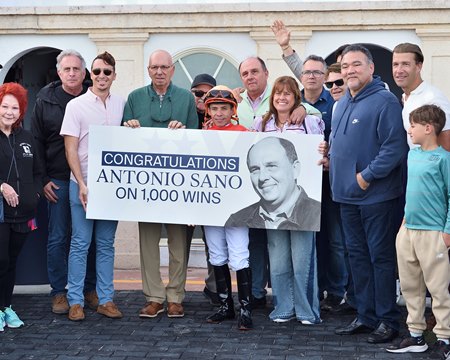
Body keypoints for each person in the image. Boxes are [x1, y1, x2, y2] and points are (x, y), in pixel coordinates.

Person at [329, 44, 408, 344]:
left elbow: (394, 148)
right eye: (345, 65)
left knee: (380, 259)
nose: (350, 70)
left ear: (371, 68)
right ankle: (366, 315)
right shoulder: (343, 103)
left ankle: (388, 320)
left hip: (375, 197)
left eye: (356, 65)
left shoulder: (385, 101)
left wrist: (366, 176)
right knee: (357, 259)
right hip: (346, 197)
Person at [122, 49, 197, 319]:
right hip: (146, 185)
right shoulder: (134, 98)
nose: (160, 72)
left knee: (179, 242)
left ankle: (176, 295)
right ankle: (154, 296)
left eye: (164, 67)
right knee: (148, 242)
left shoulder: (186, 98)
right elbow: (122, 141)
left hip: (177, 183)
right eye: (155, 67)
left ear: (172, 70)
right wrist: (127, 126)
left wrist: (184, 131)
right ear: (148, 69)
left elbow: (196, 140)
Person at [250, 76, 323, 324]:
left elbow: (321, 147)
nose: (282, 98)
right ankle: (283, 307)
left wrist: (305, 111)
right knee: (279, 257)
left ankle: (306, 311)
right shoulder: (261, 122)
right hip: (271, 204)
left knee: (303, 259)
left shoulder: (310, 121)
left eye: (288, 94)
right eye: (278, 93)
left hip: (303, 201)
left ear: (296, 98)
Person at [31, 49, 98, 315]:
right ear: (59, 73)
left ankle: (89, 289)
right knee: (59, 237)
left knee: (88, 238)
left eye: (76, 69)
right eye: (66, 69)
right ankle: (59, 292)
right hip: (58, 179)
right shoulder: (45, 100)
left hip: (91, 180)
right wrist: (43, 179)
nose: (72, 73)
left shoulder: (95, 96)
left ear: (85, 73)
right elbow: (36, 141)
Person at [60, 51, 125, 321]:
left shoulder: (121, 103)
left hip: (111, 187)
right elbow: (70, 147)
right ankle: (75, 300)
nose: (101, 76)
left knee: (106, 244)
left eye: (106, 72)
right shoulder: (76, 106)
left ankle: (106, 299)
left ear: (113, 75)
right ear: (90, 75)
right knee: (80, 243)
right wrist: (82, 183)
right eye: (97, 71)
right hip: (82, 185)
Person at [385, 105, 450, 357]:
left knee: (438, 288)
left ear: (428, 128)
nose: (409, 129)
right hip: (408, 231)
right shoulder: (412, 155)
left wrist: (447, 232)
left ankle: (444, 339)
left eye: (413, 125)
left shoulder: (444, 159)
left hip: (433, 233)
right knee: (411, 286)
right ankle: (415, 335)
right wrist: (403, 223)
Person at [201, 85, 253, 330]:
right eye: (214, 108)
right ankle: (225, 305)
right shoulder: (200, 135)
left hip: (237, 207)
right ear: (208, 110)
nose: (219, 113)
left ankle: (245, 308)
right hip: (211, 207)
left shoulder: (244, 132)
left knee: (239, 255)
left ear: (232, 109)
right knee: (217, 255)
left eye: (224, 108)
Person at [0, 82, 42, 331]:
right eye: (5, 106)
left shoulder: (27, 138)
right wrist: (1, 186)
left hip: (23, 211)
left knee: (12, 261)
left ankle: (6, 307)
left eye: (14, 107)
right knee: (0, 259)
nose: (9, 112)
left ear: (21, 110)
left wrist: (34, 194)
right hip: (1, 213)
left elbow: (38, 172)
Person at [226, 135, 321, 231]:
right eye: (255, 169)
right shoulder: (236, 221)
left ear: (295, 169)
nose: (262, 177)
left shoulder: (319, 215)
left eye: (271, 166)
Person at [319, 62, 355, 315]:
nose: (333, 87)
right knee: (335, 242)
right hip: (330, 186)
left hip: (353, 187)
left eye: (338, 82)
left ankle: (347, 293)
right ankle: (340, 293)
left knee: (344, 244)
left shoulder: (355, 105)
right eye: (329, 84)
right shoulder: (336, 108)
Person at [187, 73, 219, 305]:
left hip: (212, 192)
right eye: (198, 93)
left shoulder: (220, 119)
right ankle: (175, 291)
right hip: (185, 192)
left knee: (214, 245)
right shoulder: (182, 116)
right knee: (180, 242)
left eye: (207, 94)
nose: (201, 98)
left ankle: (216, 288)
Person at [392, 43, 450, 151]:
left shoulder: (432, 98)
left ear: (419, 66)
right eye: (395, 64)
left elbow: (447, 147)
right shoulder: (405, 97)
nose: (399, 70)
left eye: (405, 64)